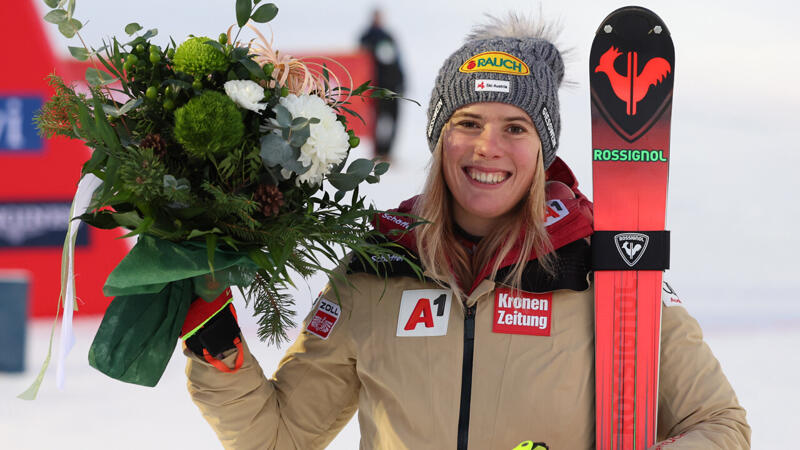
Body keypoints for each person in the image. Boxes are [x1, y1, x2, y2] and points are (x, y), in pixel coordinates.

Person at [183, 13, 751, 449]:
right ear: (438, 136)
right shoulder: (379, 266)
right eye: (468, 123)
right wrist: (214, 340)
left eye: (516, 127)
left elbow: (720, 426)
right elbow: (281, 437)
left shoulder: (603, 261)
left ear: (542, 149)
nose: (488, 148)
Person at [358, 9, 405, 161]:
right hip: (377, 87)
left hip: (393, 86)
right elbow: (362, 62)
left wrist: (402, 81)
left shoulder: (389, 36)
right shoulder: (367, 37)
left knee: (394, 119)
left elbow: (397, 61)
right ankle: (378, 152)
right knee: (377, 120)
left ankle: (388, 152)